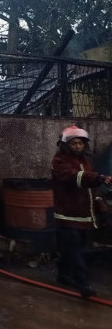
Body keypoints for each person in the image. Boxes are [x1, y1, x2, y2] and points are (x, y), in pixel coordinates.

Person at [51, 125, 112, 298]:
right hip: (68, 214)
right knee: (76, 249)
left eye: (80, 143)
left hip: (84, 214)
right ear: (65, 145)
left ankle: (63, 276)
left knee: (71, 247)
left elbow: (92, 189)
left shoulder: (86, 161)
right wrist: (98, 178)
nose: (78, 146)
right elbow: (73, 176)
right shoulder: (59, 161)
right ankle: (83, 282)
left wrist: (101, 206)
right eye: (74, 143)